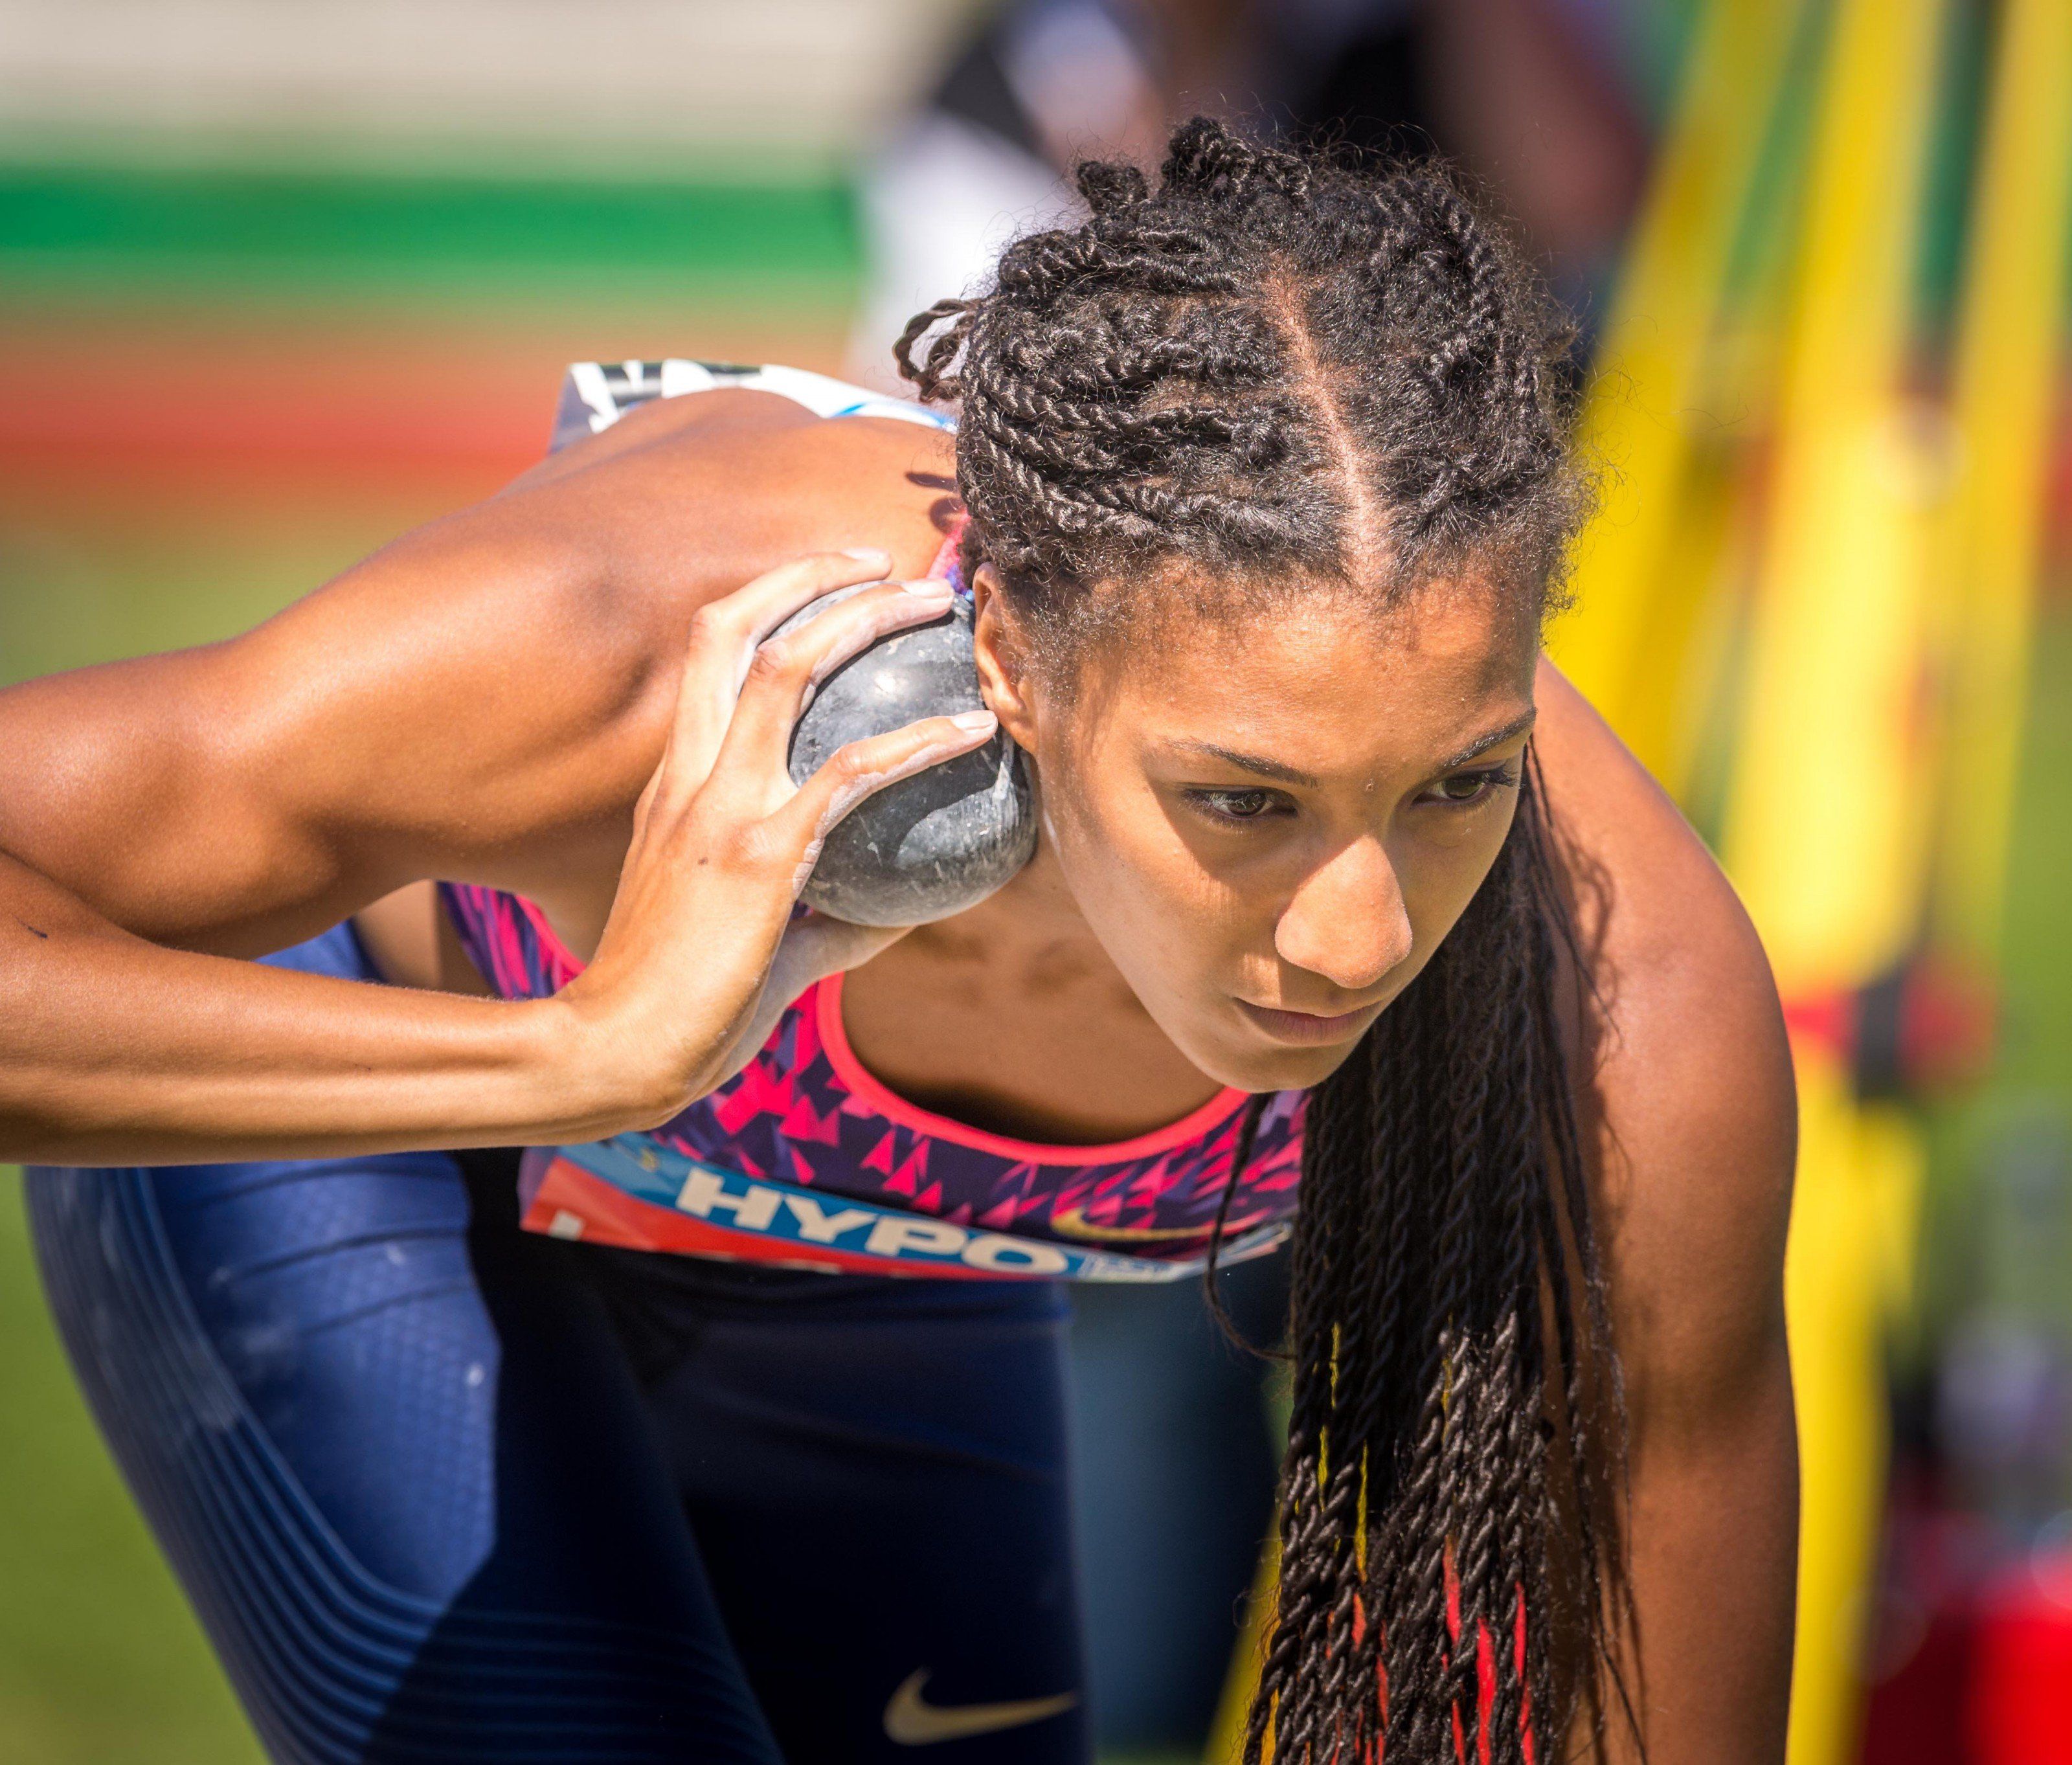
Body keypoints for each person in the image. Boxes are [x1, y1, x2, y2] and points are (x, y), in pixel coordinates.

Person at [1, 120, 1796, 1763]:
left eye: (1457, 785)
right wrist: (584, 1056)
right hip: (389, 1175)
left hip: (871, 1307)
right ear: (1013, 657)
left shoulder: (1622, 1006)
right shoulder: (639, 648)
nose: (1359, 933)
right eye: (1243, 803)